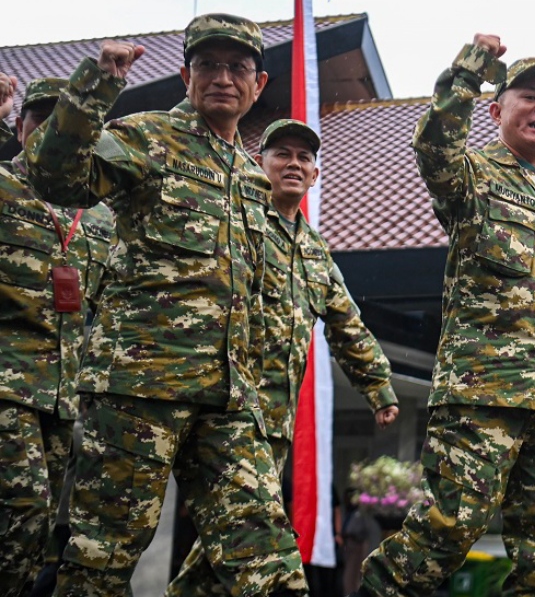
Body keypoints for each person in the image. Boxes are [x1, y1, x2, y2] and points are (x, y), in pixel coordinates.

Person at [23, 13, 309, 596]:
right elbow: (53, 174)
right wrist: (98, 85)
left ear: (260, 86)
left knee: (269, 561)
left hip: (227, 400)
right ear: (185, 75)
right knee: (99, 562)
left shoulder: (254, 181)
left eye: (238, 67)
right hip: (138, 389)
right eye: (208, 65)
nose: (223, 77)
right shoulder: (148, 136)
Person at [353, 34, 535, 597]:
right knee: (446, 534)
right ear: (497, 110)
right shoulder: (473, 178)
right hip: (483, 396)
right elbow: (433, 147)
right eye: (530, 96)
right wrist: (471, 68)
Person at [167, 118, 400, 596]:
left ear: (315, 175)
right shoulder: (236, 222)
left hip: (274, 423)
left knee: (222, 547)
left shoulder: (316, 252)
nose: (294, 164)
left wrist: (378, 388)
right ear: (260, 165)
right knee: (258, 539)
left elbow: (346, 323)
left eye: (304, 158)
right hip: (223, 410)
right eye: (282, 155)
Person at [0, 77, 115, 596]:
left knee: (40, 525)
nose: (48, 129)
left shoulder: (98, 218)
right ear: (19, 127)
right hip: (5, 382)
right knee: (20, 512)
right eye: (37, 119)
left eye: (61, 119)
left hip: (62, 395)